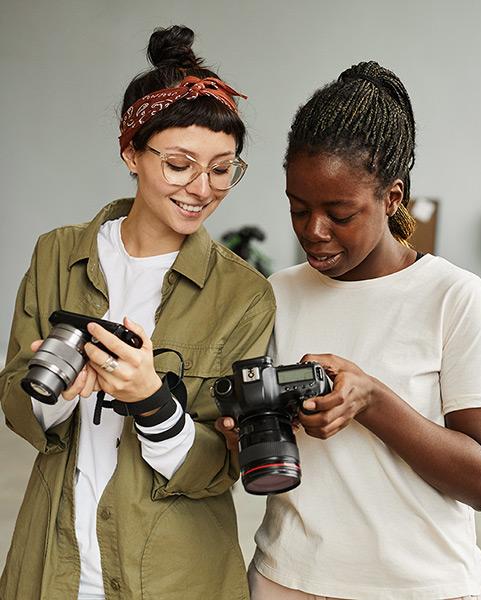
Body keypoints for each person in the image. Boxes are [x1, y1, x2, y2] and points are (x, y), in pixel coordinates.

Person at [0, 25, 274, 600]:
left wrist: (151, 400)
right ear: (130, 152)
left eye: (223, 168)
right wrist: (53, 392)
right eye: (179, 164)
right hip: (52, 565)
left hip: (176, 574)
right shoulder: (58, 253)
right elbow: (14, 404)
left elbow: (222, 466)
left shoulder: (244, 295)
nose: (203, 188)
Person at [220, 61, 481, 600]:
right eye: (298, 208)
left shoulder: (452, 296)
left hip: (421, 586)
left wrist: (371, 400)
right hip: (288, 578)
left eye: (340, 212)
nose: (314, 230)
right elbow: (244, 454)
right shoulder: (277, 294)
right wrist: (238, 434)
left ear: (392, 198)